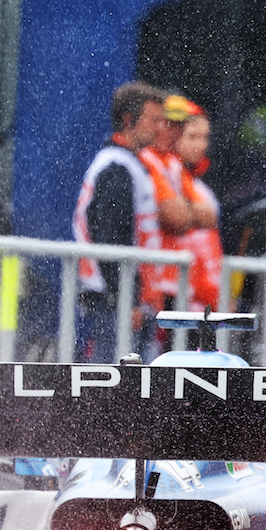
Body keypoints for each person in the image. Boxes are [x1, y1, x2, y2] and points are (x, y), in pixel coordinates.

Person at [72, 81, 166, 363]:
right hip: (115, 301)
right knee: (116, 386)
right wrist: (127, 299)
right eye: (153, 120)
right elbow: (111, 239)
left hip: (120, 299)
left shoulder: (126, 163)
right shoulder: (117, 167)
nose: (160, 128)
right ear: (128, 120)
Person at [136, 94, 218, 354]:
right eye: (169, 124)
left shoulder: (171, 164)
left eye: (179, 126)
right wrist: (183, 214)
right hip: (152, 284)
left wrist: (183, 213)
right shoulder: (146, 159)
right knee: (142, 364)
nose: (173, 131)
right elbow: (178, 217)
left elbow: (209, 216)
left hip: (176, 288)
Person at [175, 107, 223, 311]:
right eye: (192, 137)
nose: (201, 145)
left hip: (206, 298)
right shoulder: (165, 176)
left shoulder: (200, 187)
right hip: (180, 296)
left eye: (204, 137)